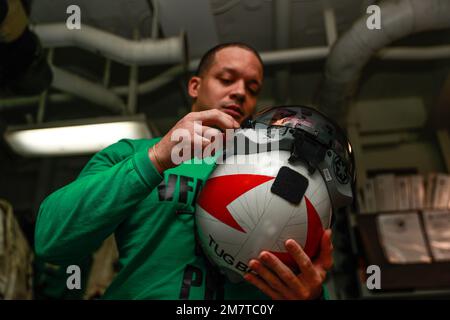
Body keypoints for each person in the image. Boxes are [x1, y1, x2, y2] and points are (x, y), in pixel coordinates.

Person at [35, 43, 334, 300]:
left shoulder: (282, 170)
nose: (240, 92)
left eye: (252, 88)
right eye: (226, 78)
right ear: (195, 86)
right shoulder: (131, 153)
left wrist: (314, 296)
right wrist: (156, 159)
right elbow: (52, 240)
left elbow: (312, 273)